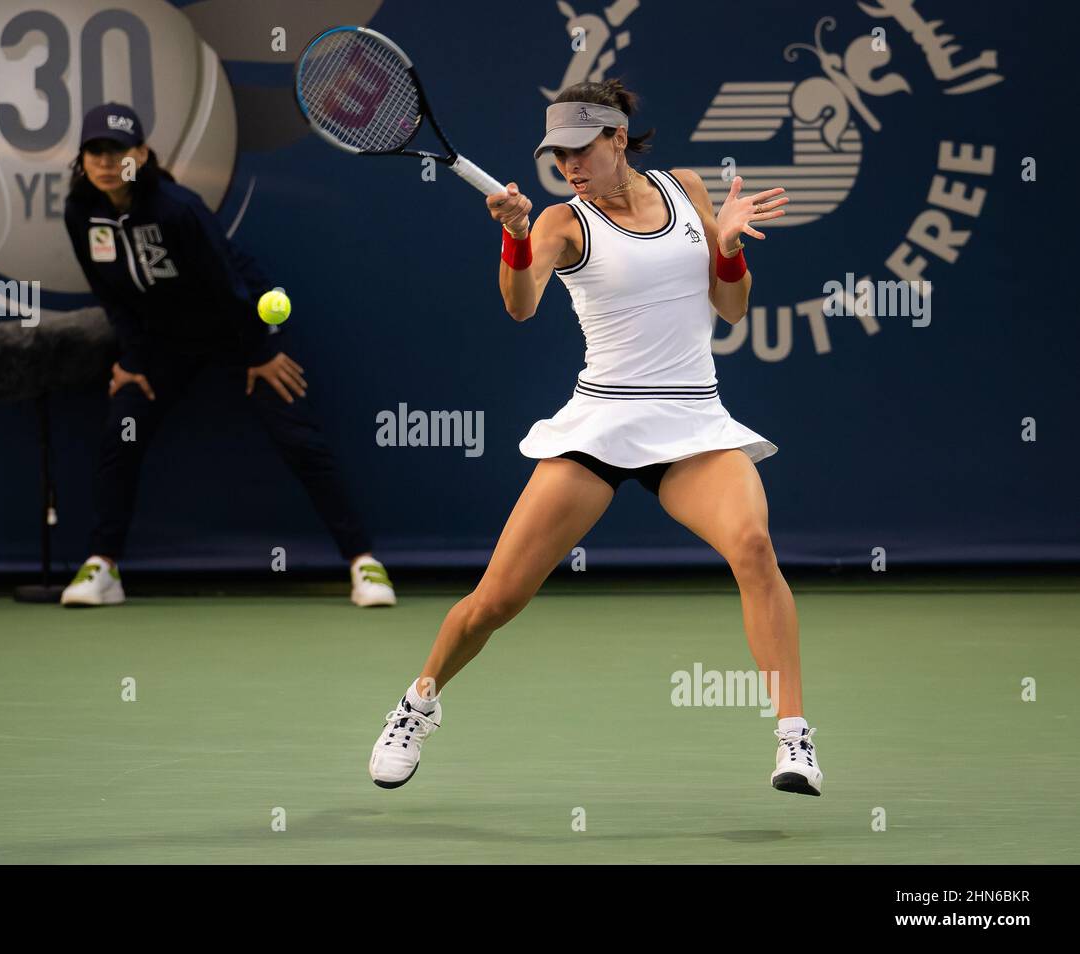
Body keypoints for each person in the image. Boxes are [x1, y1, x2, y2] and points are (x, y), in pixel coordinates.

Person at [368, 80, 823, 795]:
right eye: (559, 155)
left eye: (582, 150)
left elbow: (730, 309)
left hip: (692, 424)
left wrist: (727, 245)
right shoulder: (560, 223)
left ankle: (794, 738)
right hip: (600, 426)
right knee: (497, 600)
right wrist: (516, 236)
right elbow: (519, 307)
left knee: (755, 546)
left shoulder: (688, 190)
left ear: (618, 139)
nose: (570, 167)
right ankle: (416, 705)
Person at [60, 103, 395, 608]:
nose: (107, 162)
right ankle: (102, 567)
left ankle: (364, 564)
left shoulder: (177, 208)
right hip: (160, 345)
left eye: (119, 151)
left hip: (234, 324)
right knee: (120, 432)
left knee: (297, 436)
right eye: (96, 151)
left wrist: (259, 351)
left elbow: (226, 284)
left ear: (142, 155)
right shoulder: (79, 213)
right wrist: (131, 358)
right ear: (83, 159)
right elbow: (112, 296)